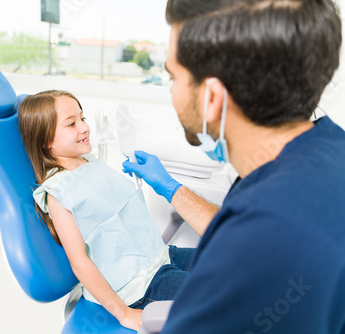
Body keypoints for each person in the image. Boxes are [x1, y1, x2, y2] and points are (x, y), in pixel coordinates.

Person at [122, 0, 345, 333]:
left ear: (212, 98)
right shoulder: (327, 147)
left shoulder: (262, 238)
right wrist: (169, 187)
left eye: (173, 76)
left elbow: (257, 240)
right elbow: (249, 226)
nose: (172, 90)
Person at [18, 90, 195, 332]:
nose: (84, 127)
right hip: (140, 286)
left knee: (228, 262)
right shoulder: (58, 192)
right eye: (71, 124)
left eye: (83, 118)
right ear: (45, 141)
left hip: (161, 257)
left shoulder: (88, 161)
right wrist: (123, 314)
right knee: (228, 295)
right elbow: (79, 262)